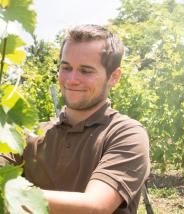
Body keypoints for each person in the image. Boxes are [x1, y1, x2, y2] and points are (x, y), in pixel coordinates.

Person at [1, 24, 150, 214]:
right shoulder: (27, 135)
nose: (72, 79)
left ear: (114, 77)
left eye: (86, 71)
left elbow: (95, 206)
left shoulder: (126, 134)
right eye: (66, 67)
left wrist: (11, 195)